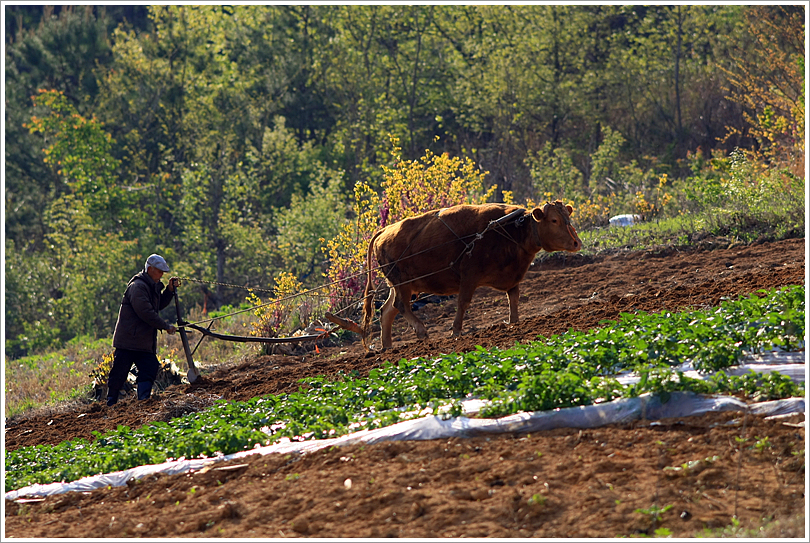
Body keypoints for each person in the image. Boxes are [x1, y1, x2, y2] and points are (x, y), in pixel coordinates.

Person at [106, 254, 180, 406]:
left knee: (150, 367)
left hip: (142, 342)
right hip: (128, 341)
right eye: (159, 271)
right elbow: (146, 312)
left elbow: (156, 306)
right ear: (150, 269)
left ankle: (143, 401)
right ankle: (110, 403)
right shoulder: (138, 287)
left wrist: (169, 291)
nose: (161, 274)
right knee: (119, 373)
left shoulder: (150, 286)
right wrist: (165, 326)